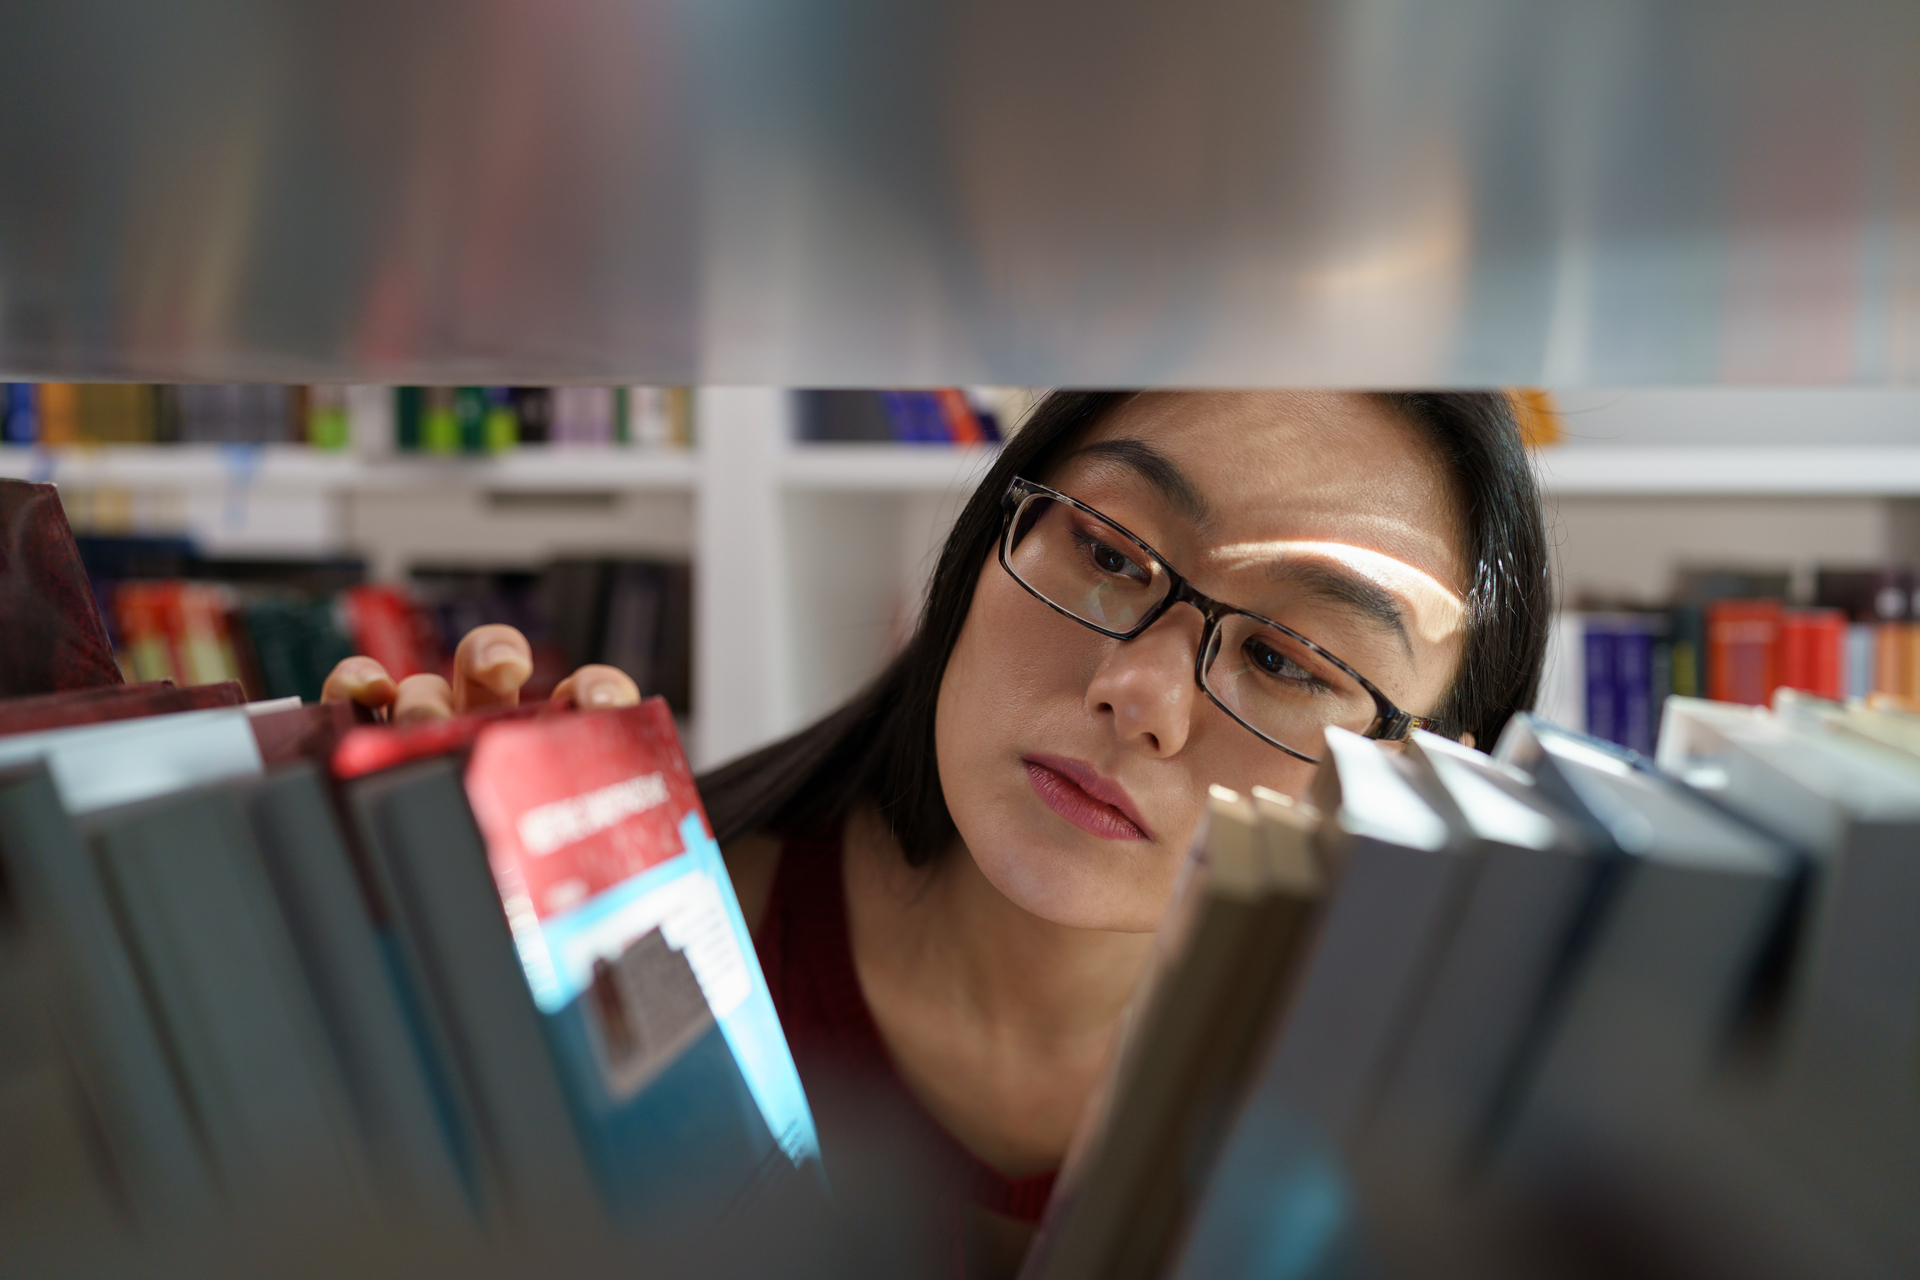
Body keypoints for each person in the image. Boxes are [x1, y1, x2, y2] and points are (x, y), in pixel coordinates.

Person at [324, 390, 1551, 1278]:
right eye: (1110, 551)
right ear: (983, 544)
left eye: (1289, 660)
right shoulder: (653, 936)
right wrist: (401, 981)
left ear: (1435, 774)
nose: (1145, 693)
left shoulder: (1425, 1147)